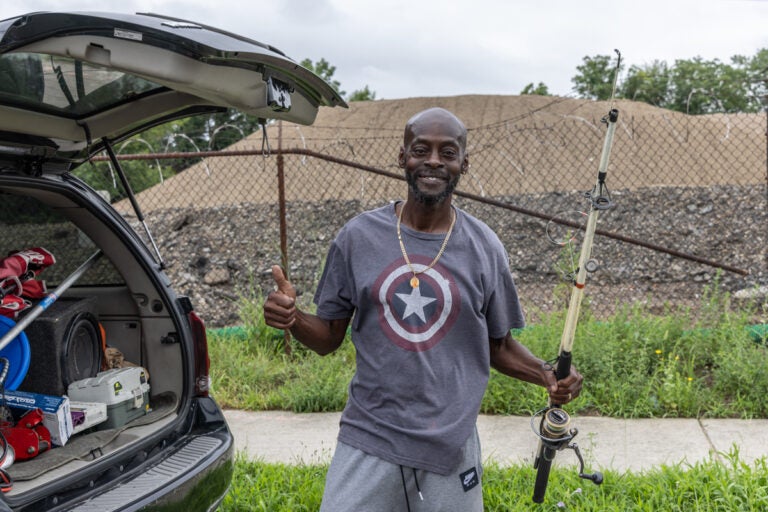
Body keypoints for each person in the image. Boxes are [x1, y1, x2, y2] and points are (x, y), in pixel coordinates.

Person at [263, 107, 583, 511]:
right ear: (403, 157)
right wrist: (292, 320)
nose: (433, 161)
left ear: (463, 163)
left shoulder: (485, 248)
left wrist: (547, 375)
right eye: (421, 150)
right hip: (370, 436)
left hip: (450, 446)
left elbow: (498, 345)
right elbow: (328, 337)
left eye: (447, 152)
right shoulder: (357, 238)